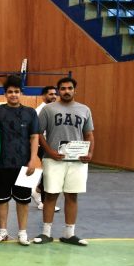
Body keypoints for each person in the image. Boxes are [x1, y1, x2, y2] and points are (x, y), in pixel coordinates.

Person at [33, 76, 94, 246]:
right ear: (59, 91)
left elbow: (89, 134)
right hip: (54, 159)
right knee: (51, 195)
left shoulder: (84, 110)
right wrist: (49, 151)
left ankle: (69, 234)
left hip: (77, 160)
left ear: (75, 90)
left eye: (70, 88)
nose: (66, 91)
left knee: (72, 196)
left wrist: (90, 153)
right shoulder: (48, 109)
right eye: (63, 88)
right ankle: (46, 233)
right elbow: (38, 133)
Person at [0, 76, 40, 246]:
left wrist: (33, 160)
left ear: (21, 93)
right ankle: (3, 232)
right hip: (1, 164)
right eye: (10, 92)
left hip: (24, 165)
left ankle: (22, 233)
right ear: (5, 94)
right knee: (1, 200)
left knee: (23, 201)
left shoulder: (30, 113)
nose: (13, 94)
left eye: (16, 91)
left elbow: (34, 137)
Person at [32, 85, 60, 212]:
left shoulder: (54, 109)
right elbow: (37, 132)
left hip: (52, 145)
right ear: (43, 96)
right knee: (49, 172)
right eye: (50, 94)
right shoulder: (40, 110)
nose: (54, 96)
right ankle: (43, 202)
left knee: (50, 171)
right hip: (42, 146)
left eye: (55, 94)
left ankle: (38, 189)